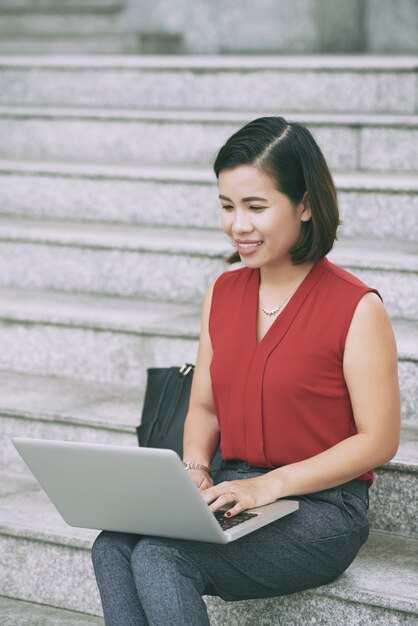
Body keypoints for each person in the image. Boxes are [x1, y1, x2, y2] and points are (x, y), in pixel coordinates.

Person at [91, 116, 400, 626]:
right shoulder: (224, 291)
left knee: (162, 556)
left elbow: (379, 439)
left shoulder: (356, 307)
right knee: (113, 546)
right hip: (231, 488)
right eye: (227, 206)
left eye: (256, 207)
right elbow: (205, 405)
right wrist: (194, 469)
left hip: (320, 509)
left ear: (304, 205)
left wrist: (270, 485)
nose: (238, 225)